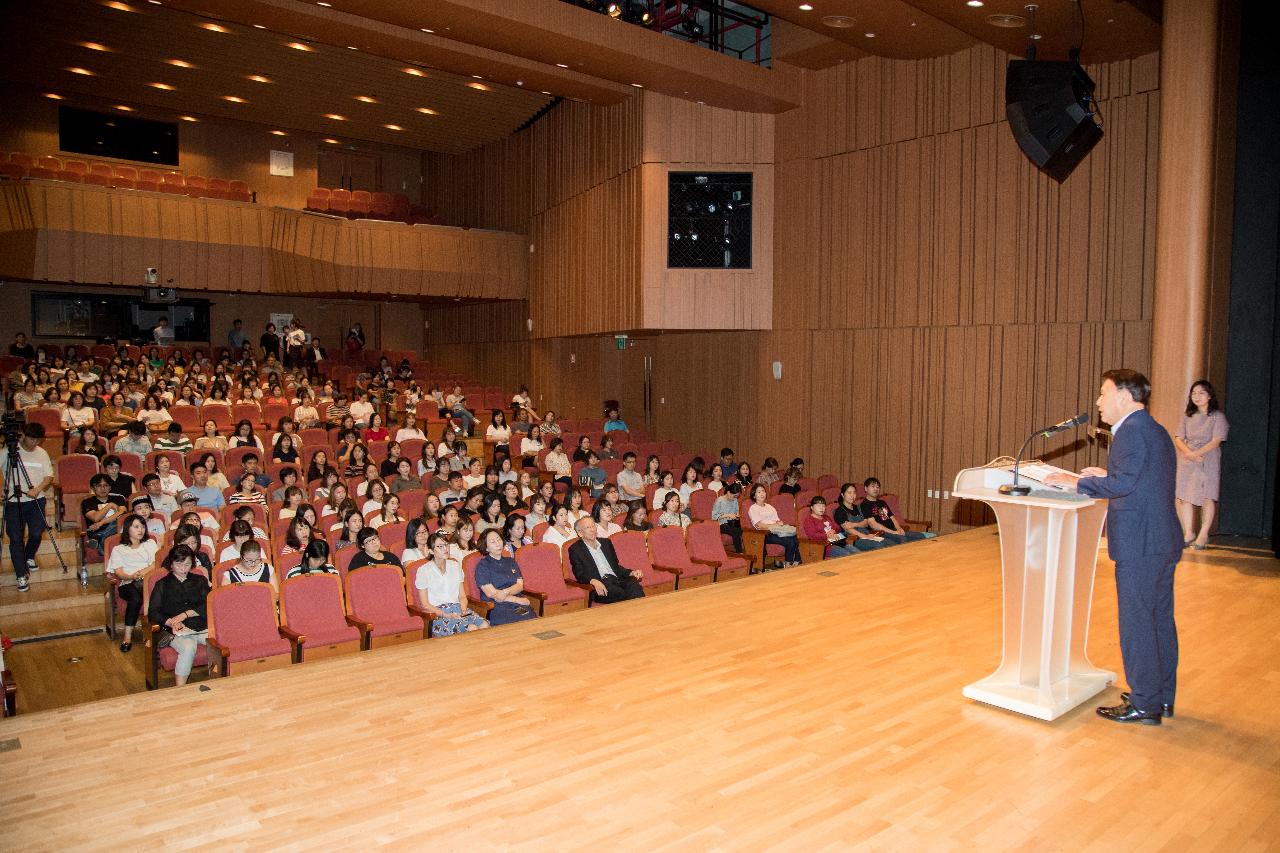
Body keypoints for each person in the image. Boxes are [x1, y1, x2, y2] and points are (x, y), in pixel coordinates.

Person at [1042, 370, 1182, 725]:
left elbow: (1125, 484)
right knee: (1158, 621)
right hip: (1160, 539)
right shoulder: (1153, 429)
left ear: (1124, 395)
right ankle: (1160, 696)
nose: (1099, 402)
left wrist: (1079, 482)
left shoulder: (1131, 432)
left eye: (1103, 394)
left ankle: (1144, 702)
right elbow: (1143, 480)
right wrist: (1103, 477)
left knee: (1137, 623)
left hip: (1141, 542)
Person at [1173, 379, 1229, 550]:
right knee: (1184, 496)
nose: (1197, 396)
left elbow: (1216, 441)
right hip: (1187, 459)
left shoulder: (1217, 417)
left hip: (1208, 459)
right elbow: (1178, 438)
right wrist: (1189, 454)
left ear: (1210, 396)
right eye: (1194, 393)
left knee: (1207, 496)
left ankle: (1203, 534)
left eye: (1201, 393)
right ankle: (1188, 532)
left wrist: (1196, 454)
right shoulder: (1187, 416)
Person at [146, 545, 211, 686]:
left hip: (201, 626)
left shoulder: (199, 581)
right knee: (189, 647)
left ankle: (220, 679)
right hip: (175, 630)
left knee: (222, 640)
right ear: (171, 564)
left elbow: (209, 604)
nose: (183, 568)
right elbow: (153, 612)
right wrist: (170, 622)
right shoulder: (162, 585)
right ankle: (180, 688)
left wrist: (185, 614)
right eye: (179, 564)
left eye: (187, 564)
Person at [1, 423, 54, 592]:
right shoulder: (9, 451)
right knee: (16, 538)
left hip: (35, 500)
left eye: (38, 440)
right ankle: (21, 574)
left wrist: (37, 489)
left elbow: (48, 477)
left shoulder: (42, 453)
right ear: (23, 435)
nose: (34, 443)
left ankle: (29, 555)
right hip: (13, 501)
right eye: (32, 438)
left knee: (37, 532)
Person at [413, 532, 489, 636]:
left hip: (459, 608)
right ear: (431, 550)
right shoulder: (423, 570)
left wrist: (462, 610)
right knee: (472, 628)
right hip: (438, 614)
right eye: (440, 546)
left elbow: (462, 596)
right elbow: (425, 604)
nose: (445, 549)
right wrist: (446, 615)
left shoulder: (455, 565)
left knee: (484, 625)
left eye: (446, 545)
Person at [105, 513, 159, 650]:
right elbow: (118, 572)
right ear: (127, 529)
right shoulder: (119, 549)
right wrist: (132, 576)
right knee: (135, 598)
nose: (141, 530)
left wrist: (142, 573)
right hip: (128, 583)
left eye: (142, 526)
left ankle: (154, 632)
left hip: (148, 581)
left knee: (152, 593)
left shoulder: (150, 543)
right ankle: (127, 637)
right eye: (136, 527)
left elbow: (156, 563)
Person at [568, 517, 645, 604]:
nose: (592, 529)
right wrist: (593, 581)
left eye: (593, 526)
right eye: (588, 527)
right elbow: (579, 574)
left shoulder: (606, 543)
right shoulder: (575, 549)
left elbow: (616, 566)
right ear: (580, 533)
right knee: (619, 593)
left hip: (617, 579)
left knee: (635, 586)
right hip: (599, 584)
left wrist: (631, 572)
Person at [474, 528, 538, 625]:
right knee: (517, 621)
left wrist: (506, 592)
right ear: (486, 547)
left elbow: (519, 585)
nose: (498, 543)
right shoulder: (483, 565)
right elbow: (493, 594)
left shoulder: (510, 561)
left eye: (498, 539)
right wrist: (518, 600)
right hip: (497, 606)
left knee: (530, 618)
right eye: (493, 542)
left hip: (516, 604)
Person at [746, 483, 800, 567]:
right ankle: (788, 565)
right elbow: (759, 525)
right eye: (759, 492)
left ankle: (796, 562)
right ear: (754, 495)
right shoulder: (753, 508)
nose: (762, 494)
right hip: (765, 534)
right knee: (790, 542)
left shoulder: (769, 506)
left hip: (776, 530)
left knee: (797, 538)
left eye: (763, 491)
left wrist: (778, 524)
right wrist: (773, 526)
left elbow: (777, 520)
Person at [859, 478, 927, 544]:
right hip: (881, 533)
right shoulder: (864, 505)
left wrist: (899, 529)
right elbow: (873, 524)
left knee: (920, 536)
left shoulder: (882, 502)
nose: (876, 489)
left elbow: (892, 518)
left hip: (893, 530)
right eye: (873, 486)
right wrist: (893, 532)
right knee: (902, 539)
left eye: (878, 487)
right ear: (866, 488)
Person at [833, 484, 889, 552]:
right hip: (854, 538)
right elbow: (848, 529)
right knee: (879, 545)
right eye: (849, 492)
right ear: (842, 495)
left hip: (866, 533)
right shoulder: (839, 511)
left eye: (854, 492)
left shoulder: (858, 507)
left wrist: (853, 524)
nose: (852, 495)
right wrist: (865, 536)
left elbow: (865, 523)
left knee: (888, 543)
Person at [82, 473, 126, 552]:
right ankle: (101, 539)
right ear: (92, 488)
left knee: (120, 522)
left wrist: (101, 522)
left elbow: (123, 513)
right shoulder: (87, 502)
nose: (103, 489)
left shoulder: (118, 498)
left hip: (119, 530)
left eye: (106, 485)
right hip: (97, 530)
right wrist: (110, 505)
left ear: (110, 488)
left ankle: (99, 538)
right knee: (116, 521)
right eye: (99, 486)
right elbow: (95, 518)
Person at [711, 482, 744, 552]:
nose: (735, 498)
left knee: (744, 530)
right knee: (736, 531)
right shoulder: (720, 500)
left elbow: (736, 511)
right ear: (728, 492)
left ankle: (746, 550)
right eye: (734, 496)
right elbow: (714, 517)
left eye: (737, 496)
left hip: (732, 523)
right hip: (720, 524)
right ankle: (740, 552)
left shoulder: (735, 500)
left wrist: (737, 515)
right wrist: (728, 515)